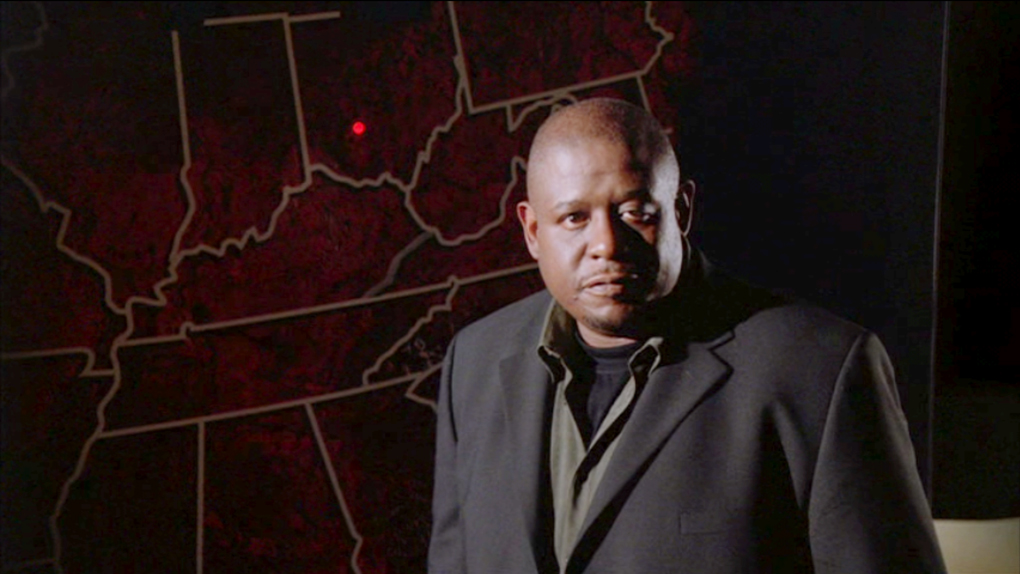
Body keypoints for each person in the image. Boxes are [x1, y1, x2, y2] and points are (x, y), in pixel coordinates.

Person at [428, 98, 946, 573]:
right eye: (574, 218)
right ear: (532, 231)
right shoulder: (474, 361)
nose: (607, 243)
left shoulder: (818, 369)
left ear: (681, 210)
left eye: (635, 212)